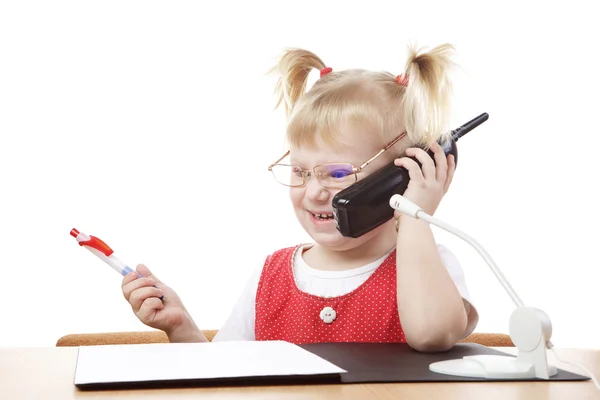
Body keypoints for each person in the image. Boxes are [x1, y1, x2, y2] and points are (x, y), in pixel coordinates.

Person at [121, 43, 479, 352]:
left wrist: (415, 214)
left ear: (396, 178)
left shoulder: (429, 264)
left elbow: (431, 335)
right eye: (299, 171)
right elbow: (225, 376)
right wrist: (181, 327)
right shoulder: (270, 274)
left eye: (338, 173)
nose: (313, 192)